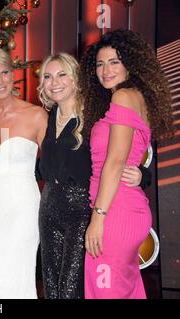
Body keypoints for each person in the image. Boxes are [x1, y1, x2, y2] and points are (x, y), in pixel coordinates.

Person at [37, 52, 144, 299]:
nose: (55, 82)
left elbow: (122, 153)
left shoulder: (98, 113)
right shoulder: (47, 116)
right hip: (49, 206)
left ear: (75, 77)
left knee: (71, 287)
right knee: (51, 285)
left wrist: (142, 174)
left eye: (62, 74)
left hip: (83, 208)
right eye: (48, 76)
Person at [79, 29, 173, 299]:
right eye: (100, 63)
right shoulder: (132, 97)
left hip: (114, 213)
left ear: (130, 64)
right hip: (123, 208)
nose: (105, 70)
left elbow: (116, 162)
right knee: (126, 291)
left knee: (105, 292)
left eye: (114, 62)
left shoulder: (124, 97)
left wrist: (98, 219)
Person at [0, 47, 47, 299]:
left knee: (17, 277)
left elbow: (58, 166)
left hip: (22, 209)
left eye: (4, 73)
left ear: (12, 74)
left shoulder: (36, 115)